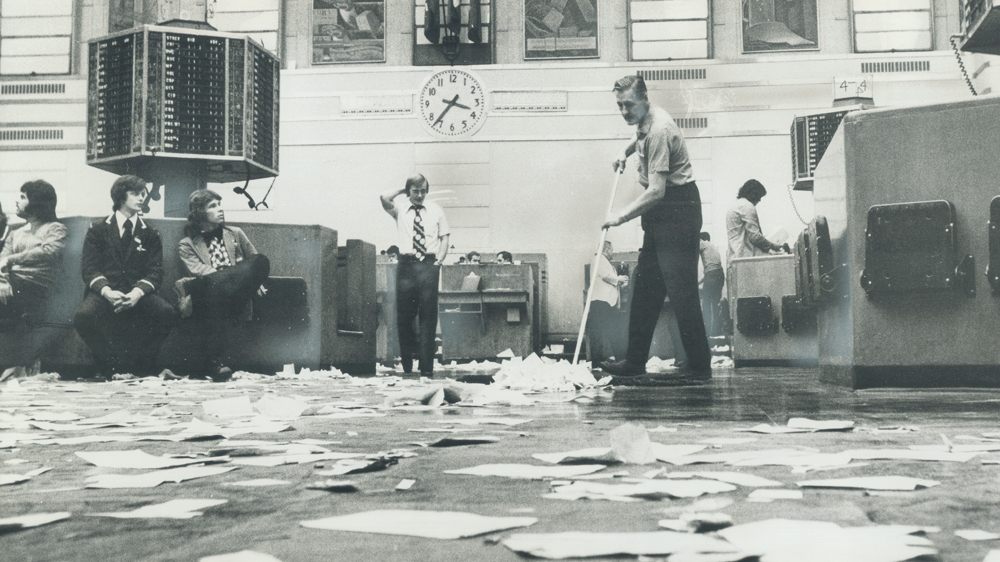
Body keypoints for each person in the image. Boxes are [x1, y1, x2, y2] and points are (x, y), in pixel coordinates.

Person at [599, 74, 712, 382]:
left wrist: (620, 217)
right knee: (645, 287)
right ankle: (635, 361)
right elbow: (640, 138)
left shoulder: (660, 130)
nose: (625, 111)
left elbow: (656, 192)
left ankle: (700, 366)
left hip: (678, 208)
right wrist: (624, 152)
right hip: (662, 212)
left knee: (681, 290)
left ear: (645, 100)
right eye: (620, 105)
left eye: (629, 105)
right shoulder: (645, 120)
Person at [73, 175, 177, 376]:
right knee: (83, 317)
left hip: (137, 291)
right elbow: (89, 268)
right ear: (121, 196)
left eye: (143, 194)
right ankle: (109, 365)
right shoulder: (98, 229)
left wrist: (137, 293)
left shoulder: (151, 232)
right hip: (106, 291)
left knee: (167, 314)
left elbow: (156, 271)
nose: (142, 198)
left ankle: (142, 365)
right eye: (135, 194)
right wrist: (107, 292)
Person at [177, 190, 270, 381]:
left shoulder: (235, 233)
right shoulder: (187, 244)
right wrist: (231, 278)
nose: (220, 209)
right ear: (199, 212)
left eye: (219, 204)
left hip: (237, 295)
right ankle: (213, 363)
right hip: (211, 293)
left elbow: (253, 259)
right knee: (209, 288)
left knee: (261, 260)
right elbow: (199, 270)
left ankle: (212, 363)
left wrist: (252, 281)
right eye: (213, 206)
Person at [380, 173, 450, 377]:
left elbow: (444, 237)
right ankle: (407, 363)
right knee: (404, 316)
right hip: (406, 266)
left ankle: (426, 367)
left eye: (423, 191)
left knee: (428, 316)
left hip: (429, 265)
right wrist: (403, 189)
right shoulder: (400, 210)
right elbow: (384, 197)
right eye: (415, 191)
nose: (420, 195)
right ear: (408, 191)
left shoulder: (436, 210)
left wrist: (438, 261)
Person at [0, 180, 67, 327]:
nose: (17, 201)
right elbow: (2, 259)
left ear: (37, 203)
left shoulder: (55, 228)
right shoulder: (15, 233)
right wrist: (2, 281)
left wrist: (11, 259)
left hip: (36, 287)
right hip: (12, 284)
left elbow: (49, 252)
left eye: (23, 197)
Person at [725, 179, 789, 261]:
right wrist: (775, 246)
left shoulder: (734, 206)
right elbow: (755, 237)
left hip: (734, 257)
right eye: (759, 197)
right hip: (745, 258)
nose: (759, 200)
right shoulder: (747, 206)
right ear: (754, 194)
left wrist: (769, 249)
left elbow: (747, 236)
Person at [587, 240, 629, 361]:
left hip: (606, 303)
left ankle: (613, 360)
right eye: (612, 250)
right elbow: (606, 276)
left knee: (607, 332)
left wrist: (620, 283)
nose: (612, 253)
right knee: (605, 332)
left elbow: (609, 281)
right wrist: (619, 279)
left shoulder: (605, 263)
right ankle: (615, 359)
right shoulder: (599, 259)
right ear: (607, 250)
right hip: (600, 302)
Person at [698, 232, 724, 337]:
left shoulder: (702, 243)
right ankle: (716, 332)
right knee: (716, 303)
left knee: (706, 304)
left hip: (712, 276)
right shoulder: (712, 247)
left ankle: (707, 332)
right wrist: (697, 283)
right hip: (719, 274)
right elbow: (710, 272)